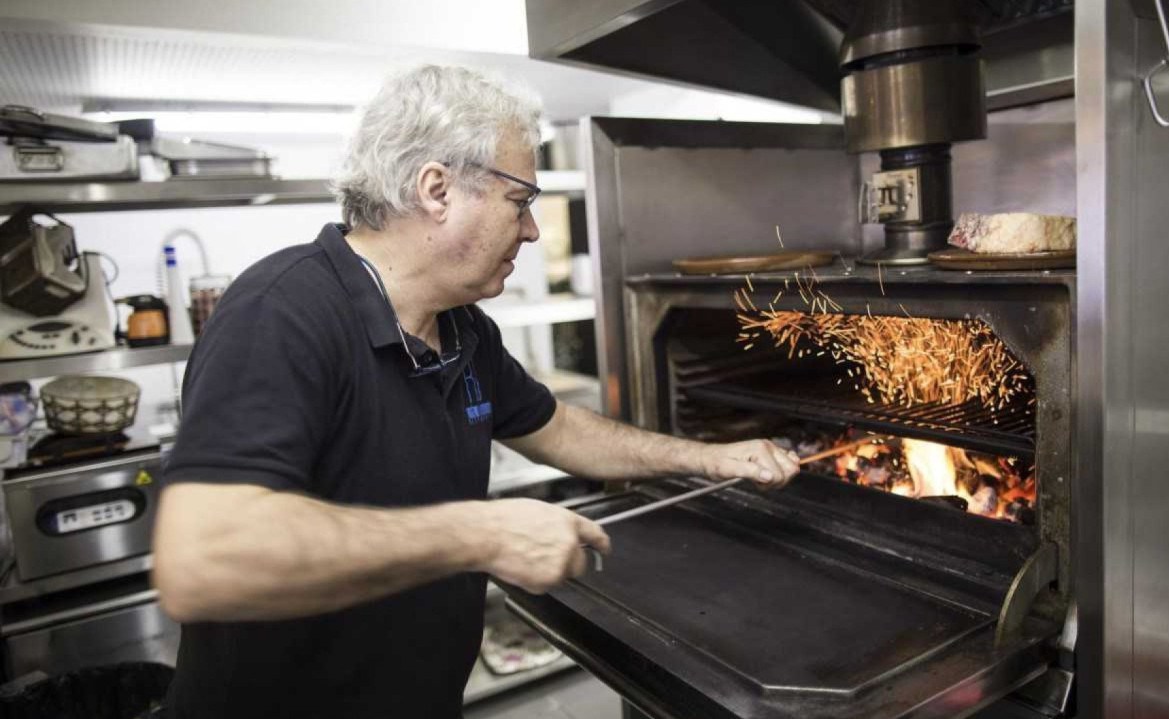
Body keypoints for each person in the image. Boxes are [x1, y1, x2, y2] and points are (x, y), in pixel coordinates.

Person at [153, 65, 802, 719]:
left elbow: (560, 430)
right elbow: (204, 555)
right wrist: (478, 532)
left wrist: (713, 457)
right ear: (437, 189)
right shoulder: (283, 311)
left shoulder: (464, 330)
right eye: (520, 200)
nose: (533, 230)